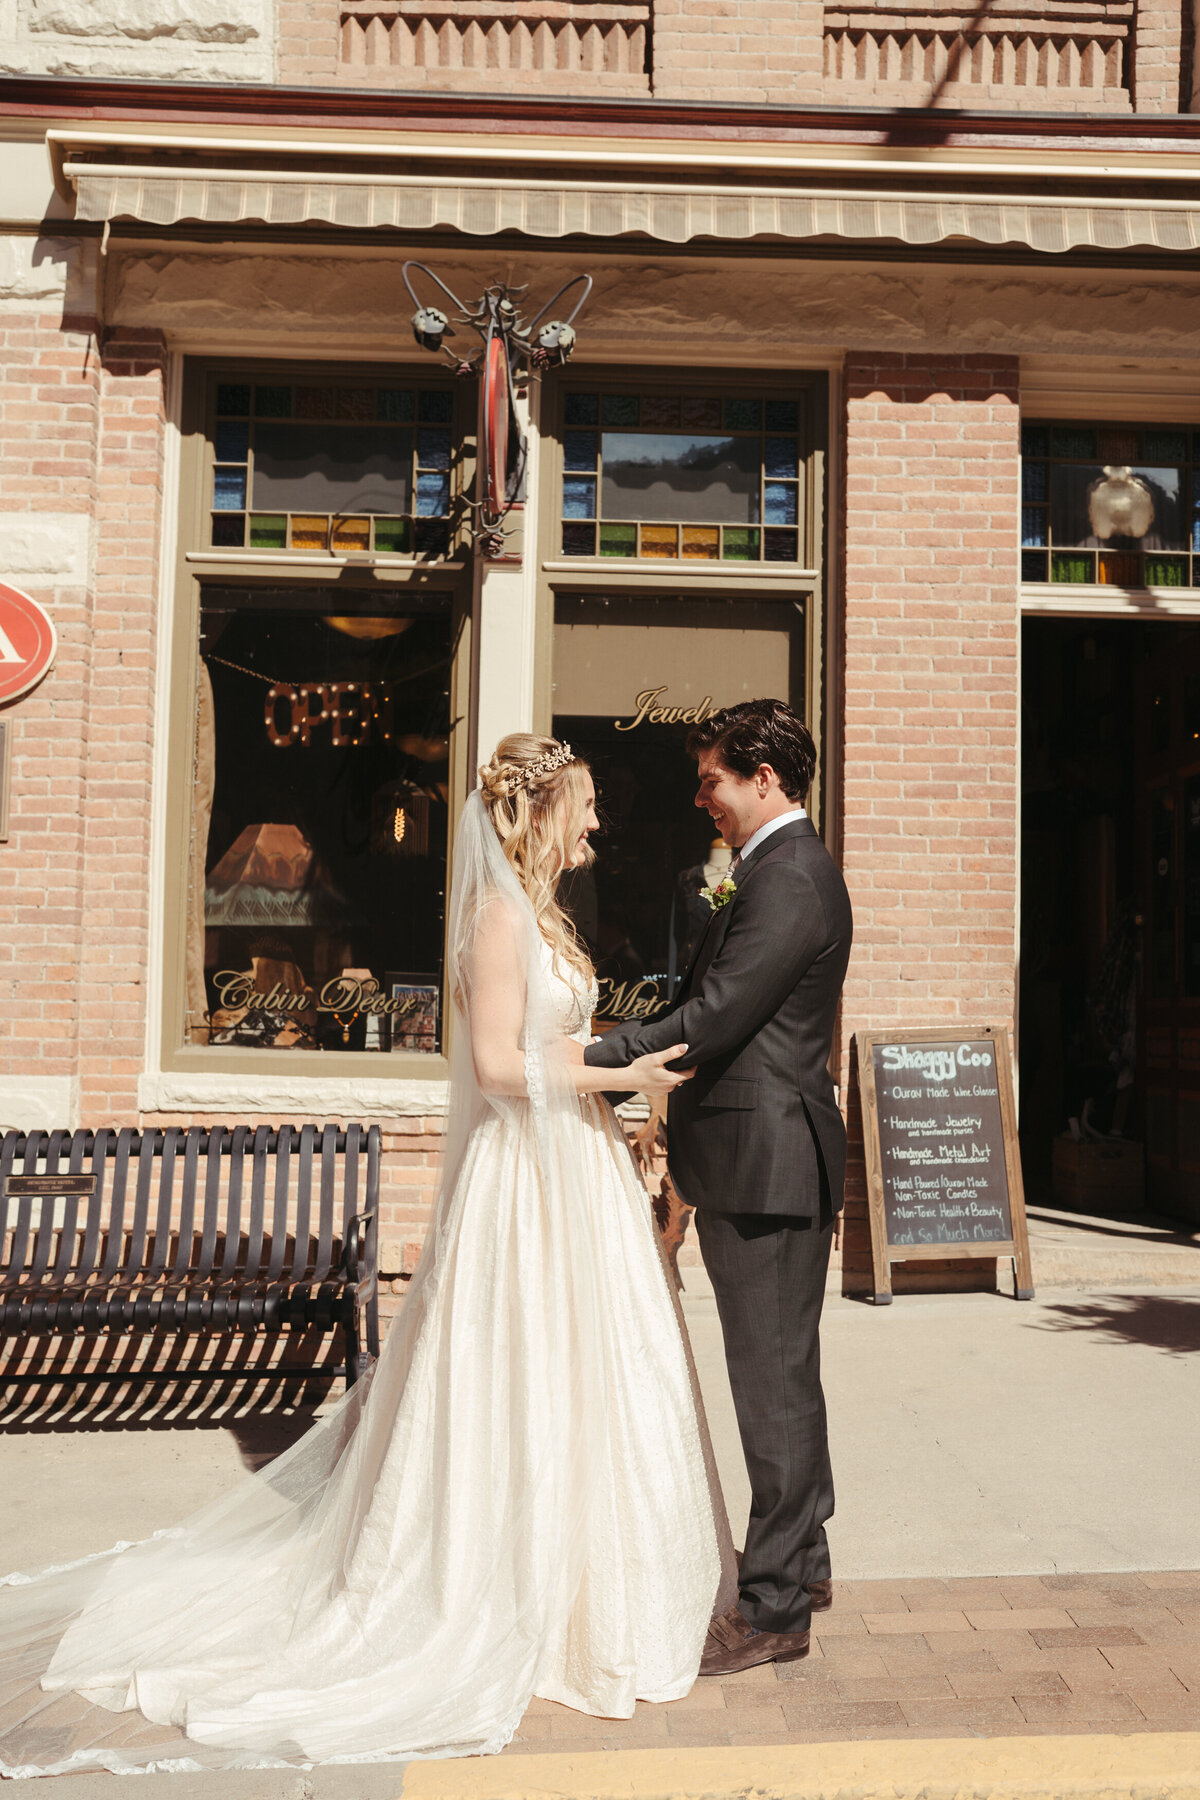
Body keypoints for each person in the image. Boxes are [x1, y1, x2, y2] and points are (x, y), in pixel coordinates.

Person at [0, 735, 735, 1779]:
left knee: (588, 1381)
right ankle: (485, 1595)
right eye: (584, 805)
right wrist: (612, 1086)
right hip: (522, 1187)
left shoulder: (542, 918)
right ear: (536, 815)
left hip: (572, 1173)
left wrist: (623, 1079)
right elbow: (492, 1064)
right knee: (511, 1380)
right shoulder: (495, 918)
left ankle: (583, 1601)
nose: (597, 824)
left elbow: (554, 1046)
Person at [584, 699, 853, 1678]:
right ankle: (806, 1562)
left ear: (765, 780)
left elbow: (719, 1014)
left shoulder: (788, 880)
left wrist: (592, 1054)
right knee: (787, 1377)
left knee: (769, 1388)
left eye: (712, 779)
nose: (700, 796)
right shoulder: (774, 869)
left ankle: (775, 1608)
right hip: (762, 1156)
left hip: (766, 1163)